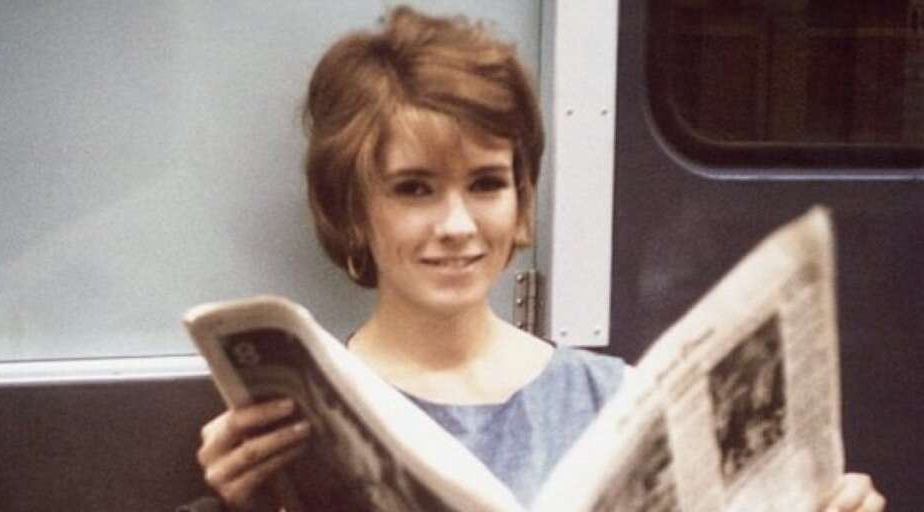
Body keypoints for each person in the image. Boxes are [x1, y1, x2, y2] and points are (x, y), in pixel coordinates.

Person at [189, 6, 885, 512]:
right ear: (352, 211)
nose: (458, 225)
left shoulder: (613, 400)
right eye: (414, 189)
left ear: (522, 203)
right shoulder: (300, 424)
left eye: (486, 184)